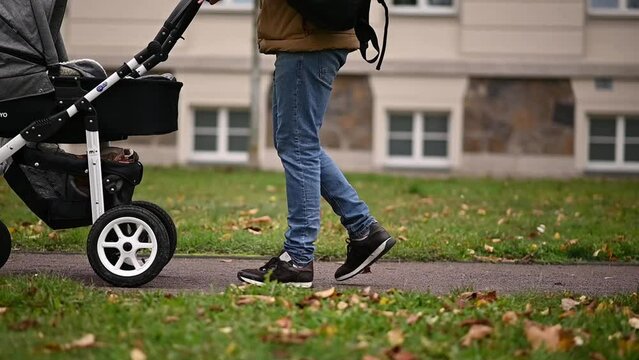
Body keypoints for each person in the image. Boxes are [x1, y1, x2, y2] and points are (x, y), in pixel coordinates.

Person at [199, 0, 395, 288]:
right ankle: (363, 230)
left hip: (308, 43)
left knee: (299, 145)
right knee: (299, 144)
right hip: (309, 41)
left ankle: (298, 259)